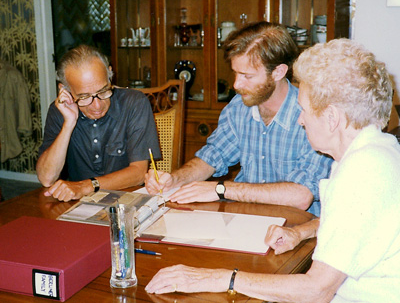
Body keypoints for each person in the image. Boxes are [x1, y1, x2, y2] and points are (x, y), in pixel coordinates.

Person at [145, 39, 400, 302]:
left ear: (332, 117)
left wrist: (221, 277)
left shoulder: (362, 174)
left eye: (303, 110)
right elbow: (353, 222)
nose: (300, 120)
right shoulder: (375, 151)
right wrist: (301, 231)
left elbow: (316, 290)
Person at [146, 21, 332, 216]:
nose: (236, 84)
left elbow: (301, 196)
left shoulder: (312, 114)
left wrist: (221, 189)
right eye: (235, 73)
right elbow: (213, 155)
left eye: (247, 76)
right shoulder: (238, 106)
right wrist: (175, 179)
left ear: (278, 72)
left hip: (294, 227)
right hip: (246, 218)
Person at [36, 45, 161, 202]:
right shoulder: (59, 111)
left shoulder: (134, 103)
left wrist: (86, 186)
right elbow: (46, 178)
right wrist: (68, 123)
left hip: (129, 200)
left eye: (103, 91)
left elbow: (138, 173)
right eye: (84, 97)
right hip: (79, 205)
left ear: (110, 76)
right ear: (65, 90)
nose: (97, 106)